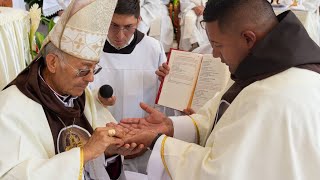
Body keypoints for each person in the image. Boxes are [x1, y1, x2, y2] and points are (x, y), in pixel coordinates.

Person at [120, 0, 320, 179]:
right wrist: (170, 126)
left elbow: (219, 172)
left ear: (248, 38)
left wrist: (157, 142)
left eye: (217, 45)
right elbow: (220, 119)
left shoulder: (270, 97)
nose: (215, 55)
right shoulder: (271, 68)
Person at [0, 0, 144, 179]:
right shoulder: (10, 108)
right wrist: (84, 154)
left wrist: (107, 152)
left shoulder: (81, 97)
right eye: (83, 70)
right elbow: (12, 175)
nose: (91, 78)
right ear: (53, 62)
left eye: (94, 69)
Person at [89, 0, 173, 175]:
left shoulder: (152, 47)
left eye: (128, 27)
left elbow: (163, 103)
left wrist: (167, 82)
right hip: (102, 144)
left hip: (142, 143)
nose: (120, 35)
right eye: (113, 26)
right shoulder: (90, 47)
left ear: (139, 21)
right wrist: (98, 98)